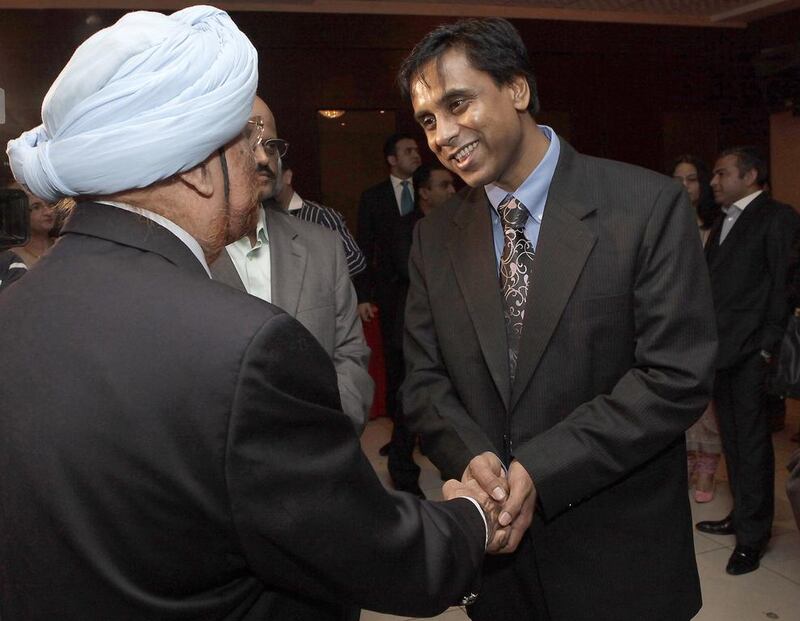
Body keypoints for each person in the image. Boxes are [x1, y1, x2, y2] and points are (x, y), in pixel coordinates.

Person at [0, 8, 500, 620]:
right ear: (198, 168)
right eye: (245, 144)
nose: (261, 163)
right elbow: (385, 557)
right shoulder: (244, 347)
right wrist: (473, 516)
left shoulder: (15, 310)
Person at [398, 17, 716, 620]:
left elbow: (675, 376)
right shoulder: (433, 238)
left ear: (516, 89)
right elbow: (423, 379)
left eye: (458, 103)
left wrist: (541, 469)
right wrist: (472, 461)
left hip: (619, 551)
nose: (442, 134)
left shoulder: (645, 206)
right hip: (499, 564)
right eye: (428, 120)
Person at [212, 96, 373, 433]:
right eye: (247, 142)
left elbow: (350, 353)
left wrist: (329, 434)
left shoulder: (322, 247)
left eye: (271, 146)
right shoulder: (188, 255)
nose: (264, 158)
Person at [695, 146, 800, 575]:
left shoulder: (778, 217)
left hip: (753, 350)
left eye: (722, 173)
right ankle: (741, 516)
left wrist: (766, 347)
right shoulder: (723, 221)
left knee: (754, 444)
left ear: (751, 174)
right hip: (723, 351)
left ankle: (753, 537)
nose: (714, 181)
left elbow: (784, 285)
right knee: (734, 442)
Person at [354, 133, 424, 495]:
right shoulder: (374, 197)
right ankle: (401, 437)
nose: (417, 154)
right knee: (397, 369)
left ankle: (414, 438)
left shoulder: (430, 191)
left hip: (423, 293)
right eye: (409, 150)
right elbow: (364, 248)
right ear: (392, 159)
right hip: (391, 297)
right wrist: (363, 295)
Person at [671, 154, 722, 502]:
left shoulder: (716, 226)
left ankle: (708, 465)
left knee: (710, 400)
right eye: (677, 179)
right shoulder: (666, 221)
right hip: (674, 320)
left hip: (712, 320)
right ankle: (690, 459)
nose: (684, 186)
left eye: (691, 179)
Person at [277, 165, 366, 278]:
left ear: (287, 176)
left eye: (271, 176)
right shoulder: (261, 219)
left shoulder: (320, 215)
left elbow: (355, 258)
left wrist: (316, 281)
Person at [7, 183, 56, 267]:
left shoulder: (67, 245)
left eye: (50, 205)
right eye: (36, 207)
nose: (49, 212)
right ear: (18, 215)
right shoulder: (10, 259)